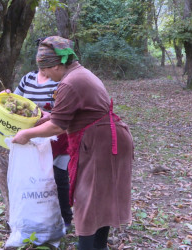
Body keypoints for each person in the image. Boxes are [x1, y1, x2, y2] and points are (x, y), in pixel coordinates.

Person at [12, 36, 134, 250]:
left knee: (87, 198)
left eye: (46, 70)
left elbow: (58, 126)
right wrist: (43, 118)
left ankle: (87, 247)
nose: (46, 75)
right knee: (99, 197)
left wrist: (27, 134)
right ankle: (98, 246)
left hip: (103, 142)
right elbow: (65, 115)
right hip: (104, 138)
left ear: (58, 65)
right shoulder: (78, 74)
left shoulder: (70, 82)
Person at [14, 65, 73, 229]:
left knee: (59, 178)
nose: (41, 61)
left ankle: (65, 217)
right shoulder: (28, 78)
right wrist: (8, 97)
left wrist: (49, 116)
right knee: (35, 178)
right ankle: (37, 215)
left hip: (58, 136)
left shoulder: (60, 79)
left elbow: (65, 112)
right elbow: (16, 102)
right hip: (33, 137)